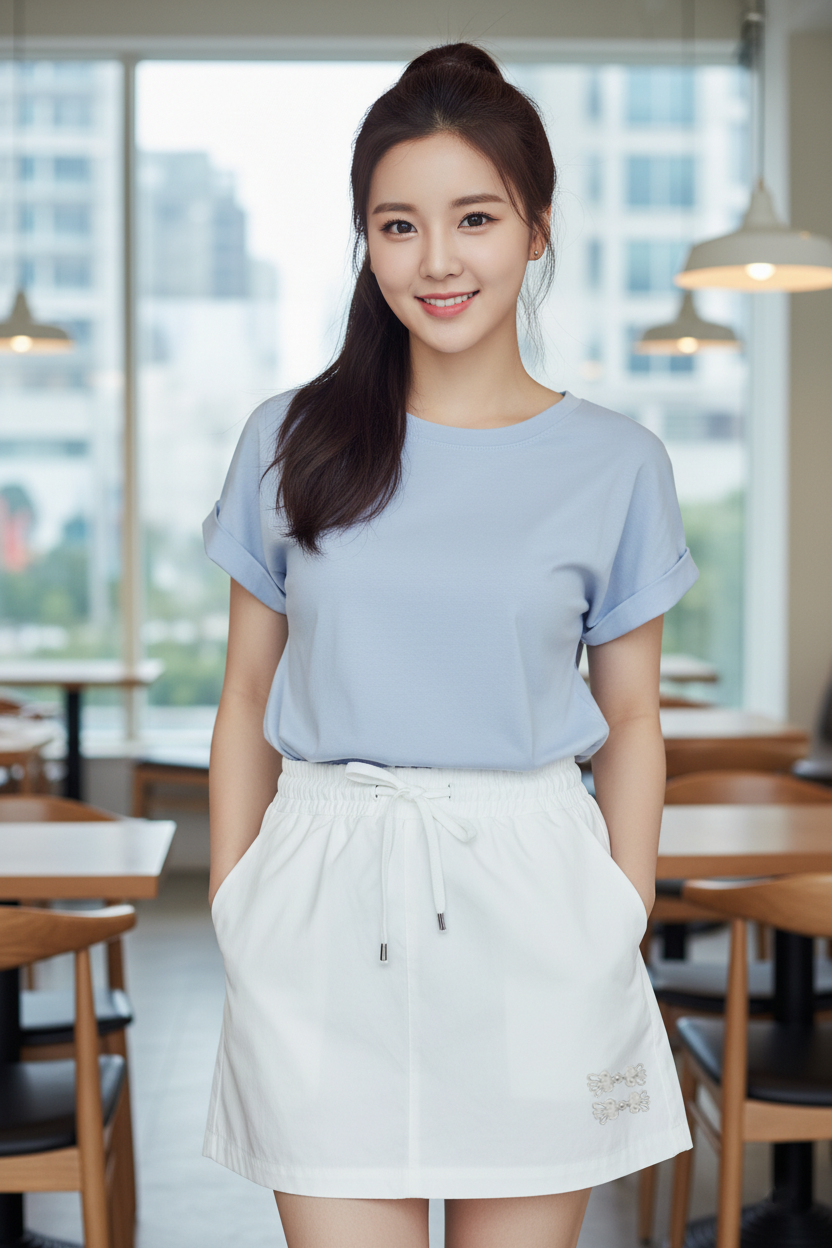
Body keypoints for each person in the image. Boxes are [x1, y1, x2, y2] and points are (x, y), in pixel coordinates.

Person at [202, 42, 697, 1248]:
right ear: (365, 244)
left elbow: (632, 716)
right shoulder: (293, 439)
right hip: (324, 905)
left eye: (473, 217)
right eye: (396, 225)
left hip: (536, 905)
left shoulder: (617, 463)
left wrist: (615, 907)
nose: (435, 260)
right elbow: (247, 685)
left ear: (533, 230)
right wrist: (237, 900)